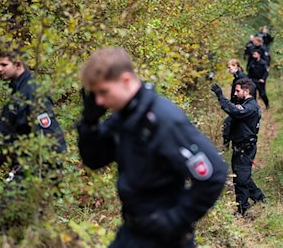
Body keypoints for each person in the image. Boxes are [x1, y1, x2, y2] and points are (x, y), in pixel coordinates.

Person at [77, 47, 227, 248]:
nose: (100, 101)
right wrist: (89, 124)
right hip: (133, 233)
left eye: (103, 92)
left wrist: (174, 219)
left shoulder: (164, 119)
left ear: (126, 80)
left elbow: (214, 172)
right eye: (95, 94)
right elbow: (94, 160)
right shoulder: (124, 118)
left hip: (166, 238)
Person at [0, 47, 67, 178]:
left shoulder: (32, 92)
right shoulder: (16, 91)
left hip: (34, 171)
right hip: (21, 167)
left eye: (4, 65)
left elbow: (48, 135)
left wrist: (49, 175)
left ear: (18, 64)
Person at [211, 79, 266, 215]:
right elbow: (231, 120)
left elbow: (235, 111)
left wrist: (220, 96)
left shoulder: (251, 107)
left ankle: (243, 209)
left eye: (238, 91)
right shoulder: (244, 104)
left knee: (240, 179)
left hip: (245, 148)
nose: (235, 94)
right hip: (239, 147)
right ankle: (260, 198)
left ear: (246, 91)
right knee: (242, 176)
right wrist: (226, 140)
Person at [223, 59, 250, 149]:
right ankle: (229, 146)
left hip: (240, 106)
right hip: (236, 105)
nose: (229, 68)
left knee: (228, 123)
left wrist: (241, 105)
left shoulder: (242, 77)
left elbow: (246, 92)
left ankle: (226, 147)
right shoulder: (236, 77)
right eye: (228, 67)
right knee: (231, 124)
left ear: (237, 66)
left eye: (232, 66)